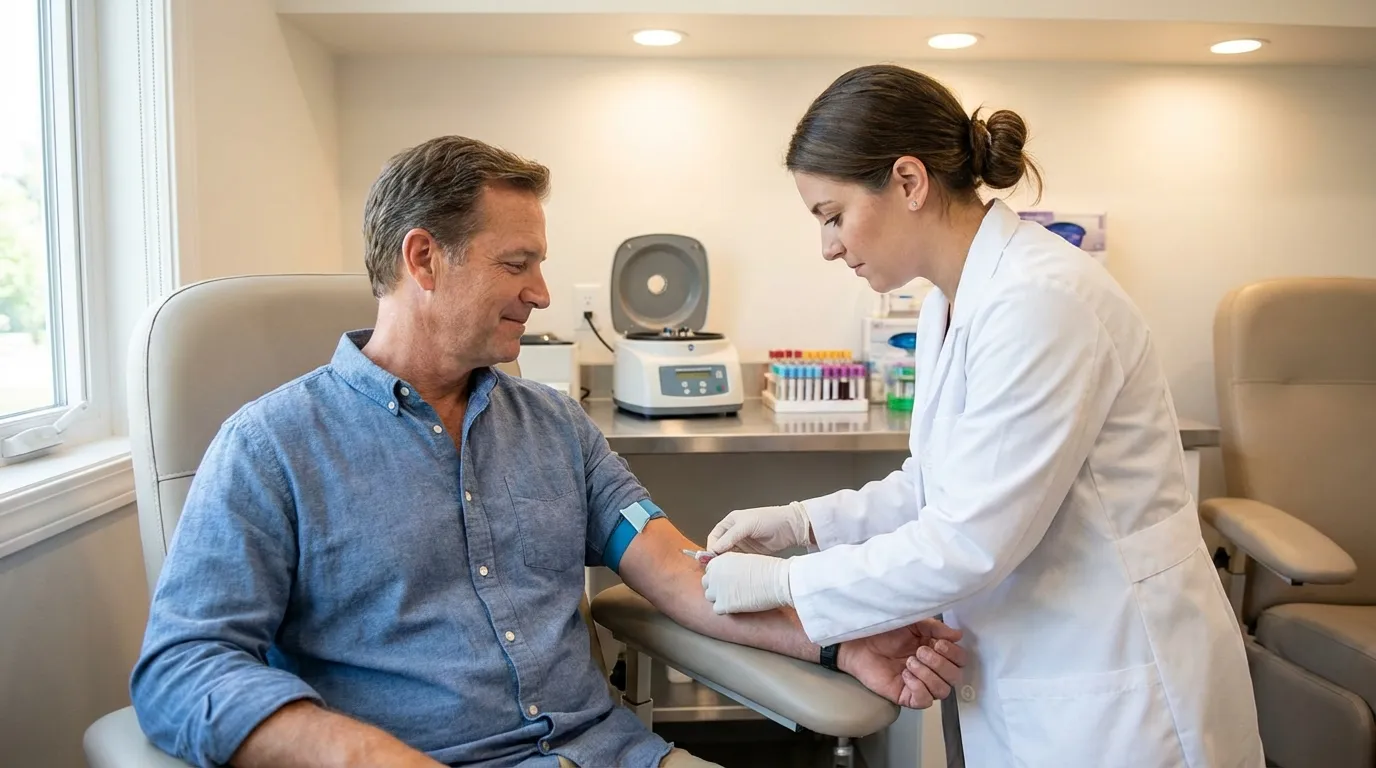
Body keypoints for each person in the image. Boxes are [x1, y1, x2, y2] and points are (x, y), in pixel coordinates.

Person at [129, 135, 968, 768]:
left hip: (609, 753)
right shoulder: (272, 447)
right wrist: (367, 757)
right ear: (424, 258)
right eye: (516, 264)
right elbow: (183, 667)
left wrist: (838, 640)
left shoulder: (556, 427)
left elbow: (681, 572)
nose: (539, 292)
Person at [699, 64, 1264, 767]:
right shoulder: (951, 301)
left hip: (1117, 681)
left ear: (908, 182)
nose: (830, 246)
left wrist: (785, 583)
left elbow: (970, 539)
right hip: (1036, 671)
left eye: (833, 215)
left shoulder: (1041, 300)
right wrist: (804, 521)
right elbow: (938, 484)